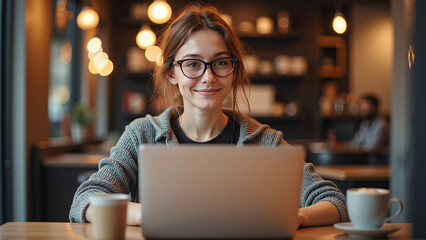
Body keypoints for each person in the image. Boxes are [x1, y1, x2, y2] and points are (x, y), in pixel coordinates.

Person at [69, 4, 348, 227]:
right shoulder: (142, 134)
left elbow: (334, 202)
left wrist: (294, 217)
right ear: (172, 73)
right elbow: (87, 199)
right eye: (193, 64)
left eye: (220, 63)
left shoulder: (265, 141)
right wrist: (150, 215)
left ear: (234, 69)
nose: (208, 77)